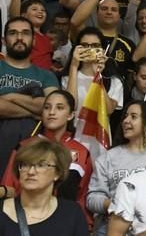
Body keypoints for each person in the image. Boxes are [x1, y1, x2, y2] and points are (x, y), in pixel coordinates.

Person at [1, 91, 92, 222]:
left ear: (71, 115)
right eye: (47, 107)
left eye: (59, 107)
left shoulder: (82, 152)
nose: (51, 112)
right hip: (24, 220)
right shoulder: (24, 147)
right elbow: (9, 187)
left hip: (64, 223)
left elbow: (82, 197)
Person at [86, 101, 146, 236]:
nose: (126, 121)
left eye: (133, 117)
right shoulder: (108, 158)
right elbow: (92, 198)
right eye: (125, 116)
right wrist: (113, 204)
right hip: (110, 227)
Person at [0, 17, 59, 174]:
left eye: (25, 33)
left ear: (33, 41)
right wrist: (35, 111)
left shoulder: (47, 76)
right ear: (4, 40)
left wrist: (11, 97)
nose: (19, 38)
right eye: (13, 33)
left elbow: (52, 108)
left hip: (34, 154)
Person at [0, 139, 88, 235]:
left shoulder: (72, 214)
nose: (31, 172)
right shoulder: (2, 212)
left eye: (41, 165)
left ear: (57, 173)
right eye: (25, 165)